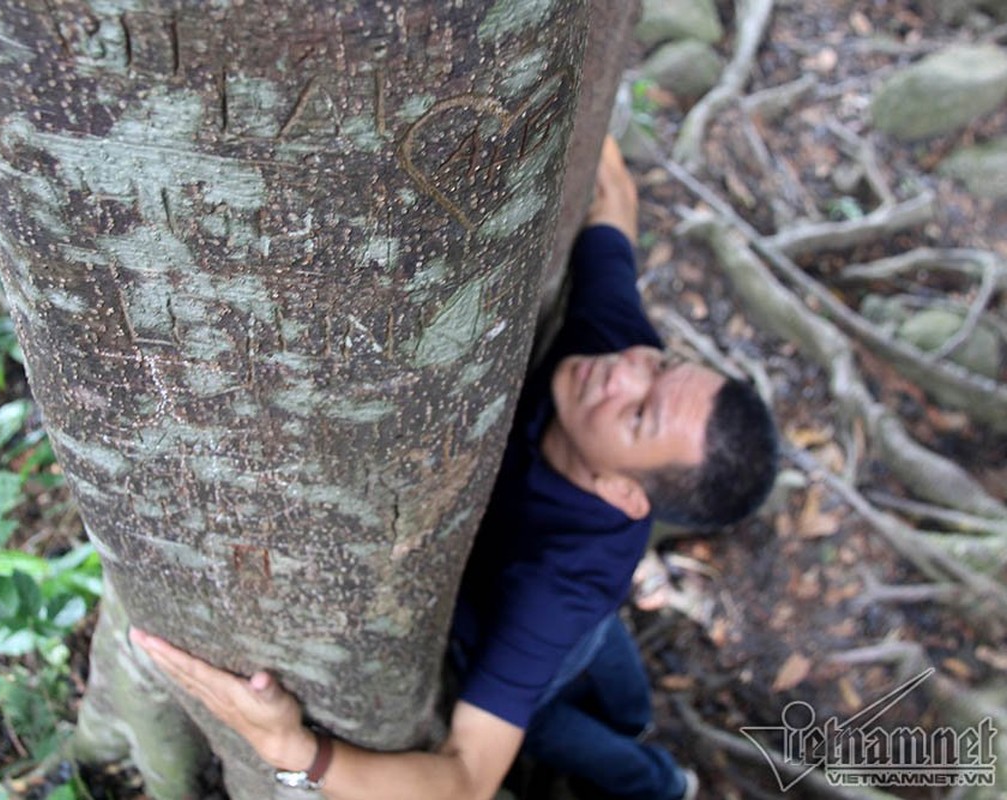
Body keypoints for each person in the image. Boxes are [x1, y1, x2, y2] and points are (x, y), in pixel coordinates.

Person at [130, 136, 779, 800]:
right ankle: (636, 717)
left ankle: (662, 783)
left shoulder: (556, 588)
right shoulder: (615, 347)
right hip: (593, 615)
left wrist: (291, 749)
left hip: (548, 623)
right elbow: (615, 205)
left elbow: (468, 778)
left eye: (638, 416)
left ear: (622, 490)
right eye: (662, 365)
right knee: (611, 668)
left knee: (547, 713)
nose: (623, 373)